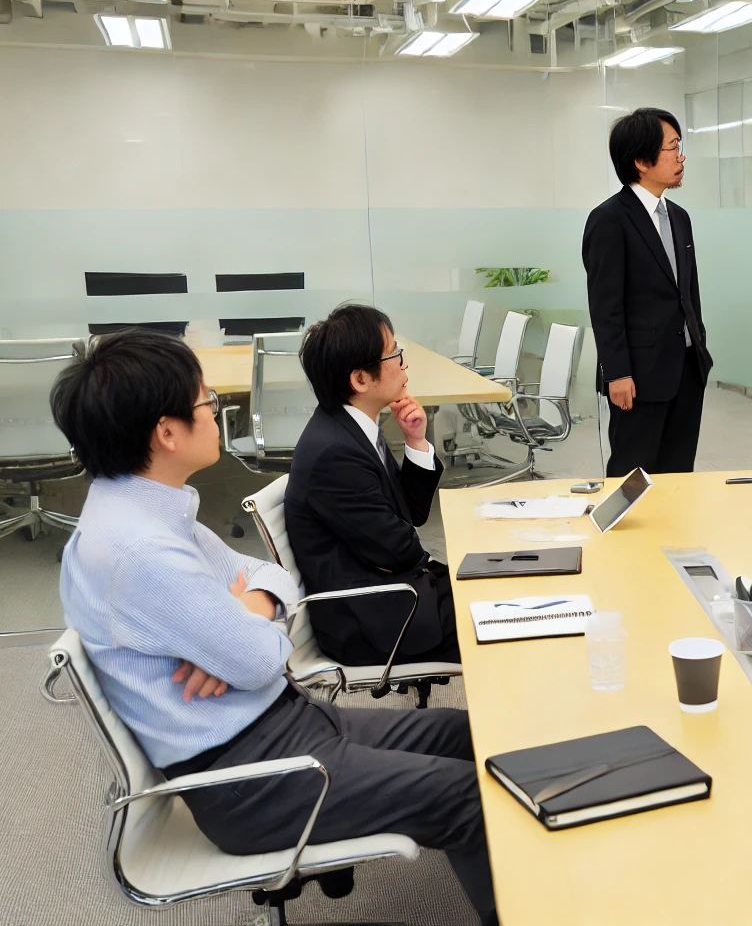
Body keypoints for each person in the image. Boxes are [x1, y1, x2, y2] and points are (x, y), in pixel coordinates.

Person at [52, 330, 496, 925]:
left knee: (469, 735)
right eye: (207, 402)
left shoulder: (146, 509)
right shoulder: (138, 552)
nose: (217, 413)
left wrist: (252, 606)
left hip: (287, 724)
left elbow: (267, 578)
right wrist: (250, 628)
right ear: (166, 432)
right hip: (253, 779)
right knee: (465, 795)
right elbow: (261, 659)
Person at [287, 303, 459, 668]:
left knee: (500, 593)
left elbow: (410, 515)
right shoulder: (334, 453)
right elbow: (402, 549)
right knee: (502, 624)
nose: (403, 362)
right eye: (394, 353)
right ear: (360, 380)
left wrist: (415, 441)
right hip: (375, 621)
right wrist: (398, 544)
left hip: (396, 591)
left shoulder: (353, 428)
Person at [583, 107, 713, 477]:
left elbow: (688, 293)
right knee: (633, 472)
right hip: (638, 377)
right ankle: (623, 537)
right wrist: (617, 372)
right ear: (641, 160)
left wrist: (699, 347)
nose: (681, 156)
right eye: (672, 147)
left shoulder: (679, 217)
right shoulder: (609, 220)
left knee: (678, 472)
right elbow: (605, 306)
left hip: (687, 369)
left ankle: (673, 536)